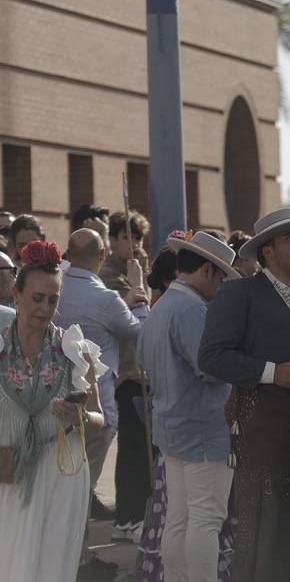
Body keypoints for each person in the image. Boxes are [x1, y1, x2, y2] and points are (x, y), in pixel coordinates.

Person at [198, 207, 290, 582]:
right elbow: (212, 357)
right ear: (266, 250)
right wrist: (271, 373)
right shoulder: (241, 294)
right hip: (267, 433)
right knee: (274, 531)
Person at [0, 241, 109, 582]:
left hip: (63, 470)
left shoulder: (73, 350)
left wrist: (77, 417)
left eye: (53, 299)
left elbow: (100, 419)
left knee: (53, 571)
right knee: (12, 567)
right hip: (10, 471)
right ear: (16, 294)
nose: (45, 308)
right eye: (37, 298)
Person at [138, 232, 239, 582]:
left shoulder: (162, 305)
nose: (223, 284)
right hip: (203, 430)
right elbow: (212, 367)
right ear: (209, 270)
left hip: (173, 428)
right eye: (222, 276)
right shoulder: (193, 308)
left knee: (180, 519)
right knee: (206, 519)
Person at [57, 227, 151, 571]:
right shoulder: (105, 298)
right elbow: (142, 332)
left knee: (62, 487)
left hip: (53, 403)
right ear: (101, 257)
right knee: (82, 488)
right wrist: (139, 290)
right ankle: (77, 558)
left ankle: (72, 555)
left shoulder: (55, 289)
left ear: (68, 253)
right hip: (95, 408)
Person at [99, 211, 156, 540]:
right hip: (125, 373)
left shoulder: (131, 270)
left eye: (138, 238)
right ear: (114, 239)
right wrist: (137, 282)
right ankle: (127, 517)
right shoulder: (110, 274)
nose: (134, 244)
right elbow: (129, 311)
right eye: (127, 238)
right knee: (133, 448)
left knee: (139, 447)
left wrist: (142, 273)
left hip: (139, 371)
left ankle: (132, 515)